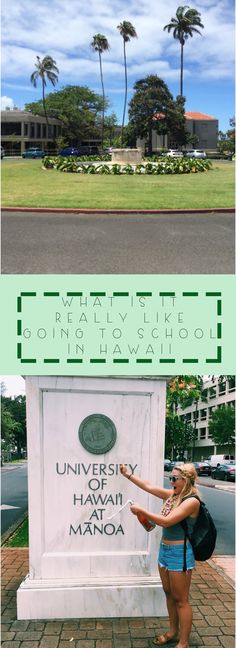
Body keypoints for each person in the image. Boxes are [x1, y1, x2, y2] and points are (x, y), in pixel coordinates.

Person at [120, 462, 200, 648]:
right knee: (169, 594)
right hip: (165, 550)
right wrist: (127, 475)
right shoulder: (173, 495)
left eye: (174, 478)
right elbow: (149, 487)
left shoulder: (191, 501)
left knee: (181, 600)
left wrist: (141, 511)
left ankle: (183, 642)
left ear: (186, 480)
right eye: (170, 478)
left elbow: (166, 521)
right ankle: (172, 632)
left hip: (180, 553)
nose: (171, 481)